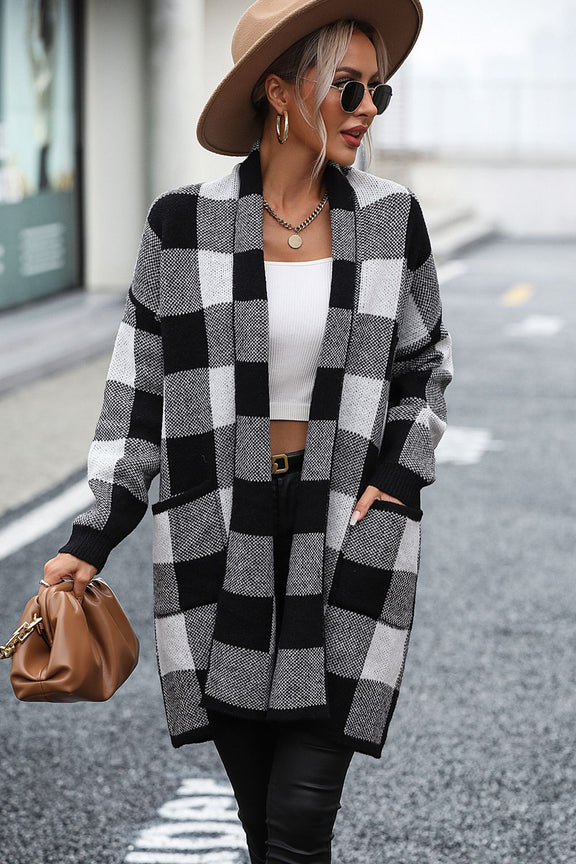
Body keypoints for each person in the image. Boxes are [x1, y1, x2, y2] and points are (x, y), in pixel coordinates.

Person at [42, 1, 453, 861]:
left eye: (378, 90)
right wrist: (95, 533)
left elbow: (425, 366)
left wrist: (398, 481)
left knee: (300, 821)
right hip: (218, 535)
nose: (368, 109)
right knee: (261, 825)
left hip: (345, 532)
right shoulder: (182, 225)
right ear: (280, 92)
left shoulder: (390, 221)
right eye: (348, 87)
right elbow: (138, 394)